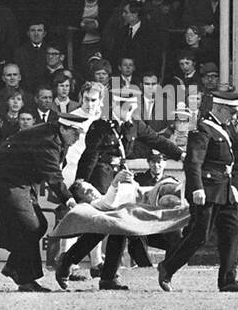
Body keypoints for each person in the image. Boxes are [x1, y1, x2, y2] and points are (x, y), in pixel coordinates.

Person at [55, 90, 182, 290]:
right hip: (101, 176)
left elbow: (157, 140)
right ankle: (70, 262)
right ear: (115, 106)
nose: (131, 112)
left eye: (133, 108)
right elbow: (90, 156)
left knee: (118, 225)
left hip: (121, 178)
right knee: (102, 226)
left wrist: (180, 155)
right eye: (127, 108)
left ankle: (106, 275)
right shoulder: (100, 126)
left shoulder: (135, 126)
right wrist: (82, 182)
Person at [0, 111, 85, 291]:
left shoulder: (58, 137)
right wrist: (70, 201)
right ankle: (25, 280)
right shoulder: (48, 140)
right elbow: (53, 176)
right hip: (2, 180)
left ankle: (14, 268)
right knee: (30, 226)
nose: (78, 138)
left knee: (38, 226)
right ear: (63, 128)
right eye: (75, 133)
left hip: (18, 181)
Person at [157, 87, 238, 293]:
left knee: (232, 233)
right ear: (219, 108)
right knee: (199, 235)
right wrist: (197, 189)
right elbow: (194, 163)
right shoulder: (203, 129)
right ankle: (168, 267)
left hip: (223, 189)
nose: (234, 116)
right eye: (231, 112)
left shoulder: (221, 128)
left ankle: (228, 280)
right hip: (207, 190)